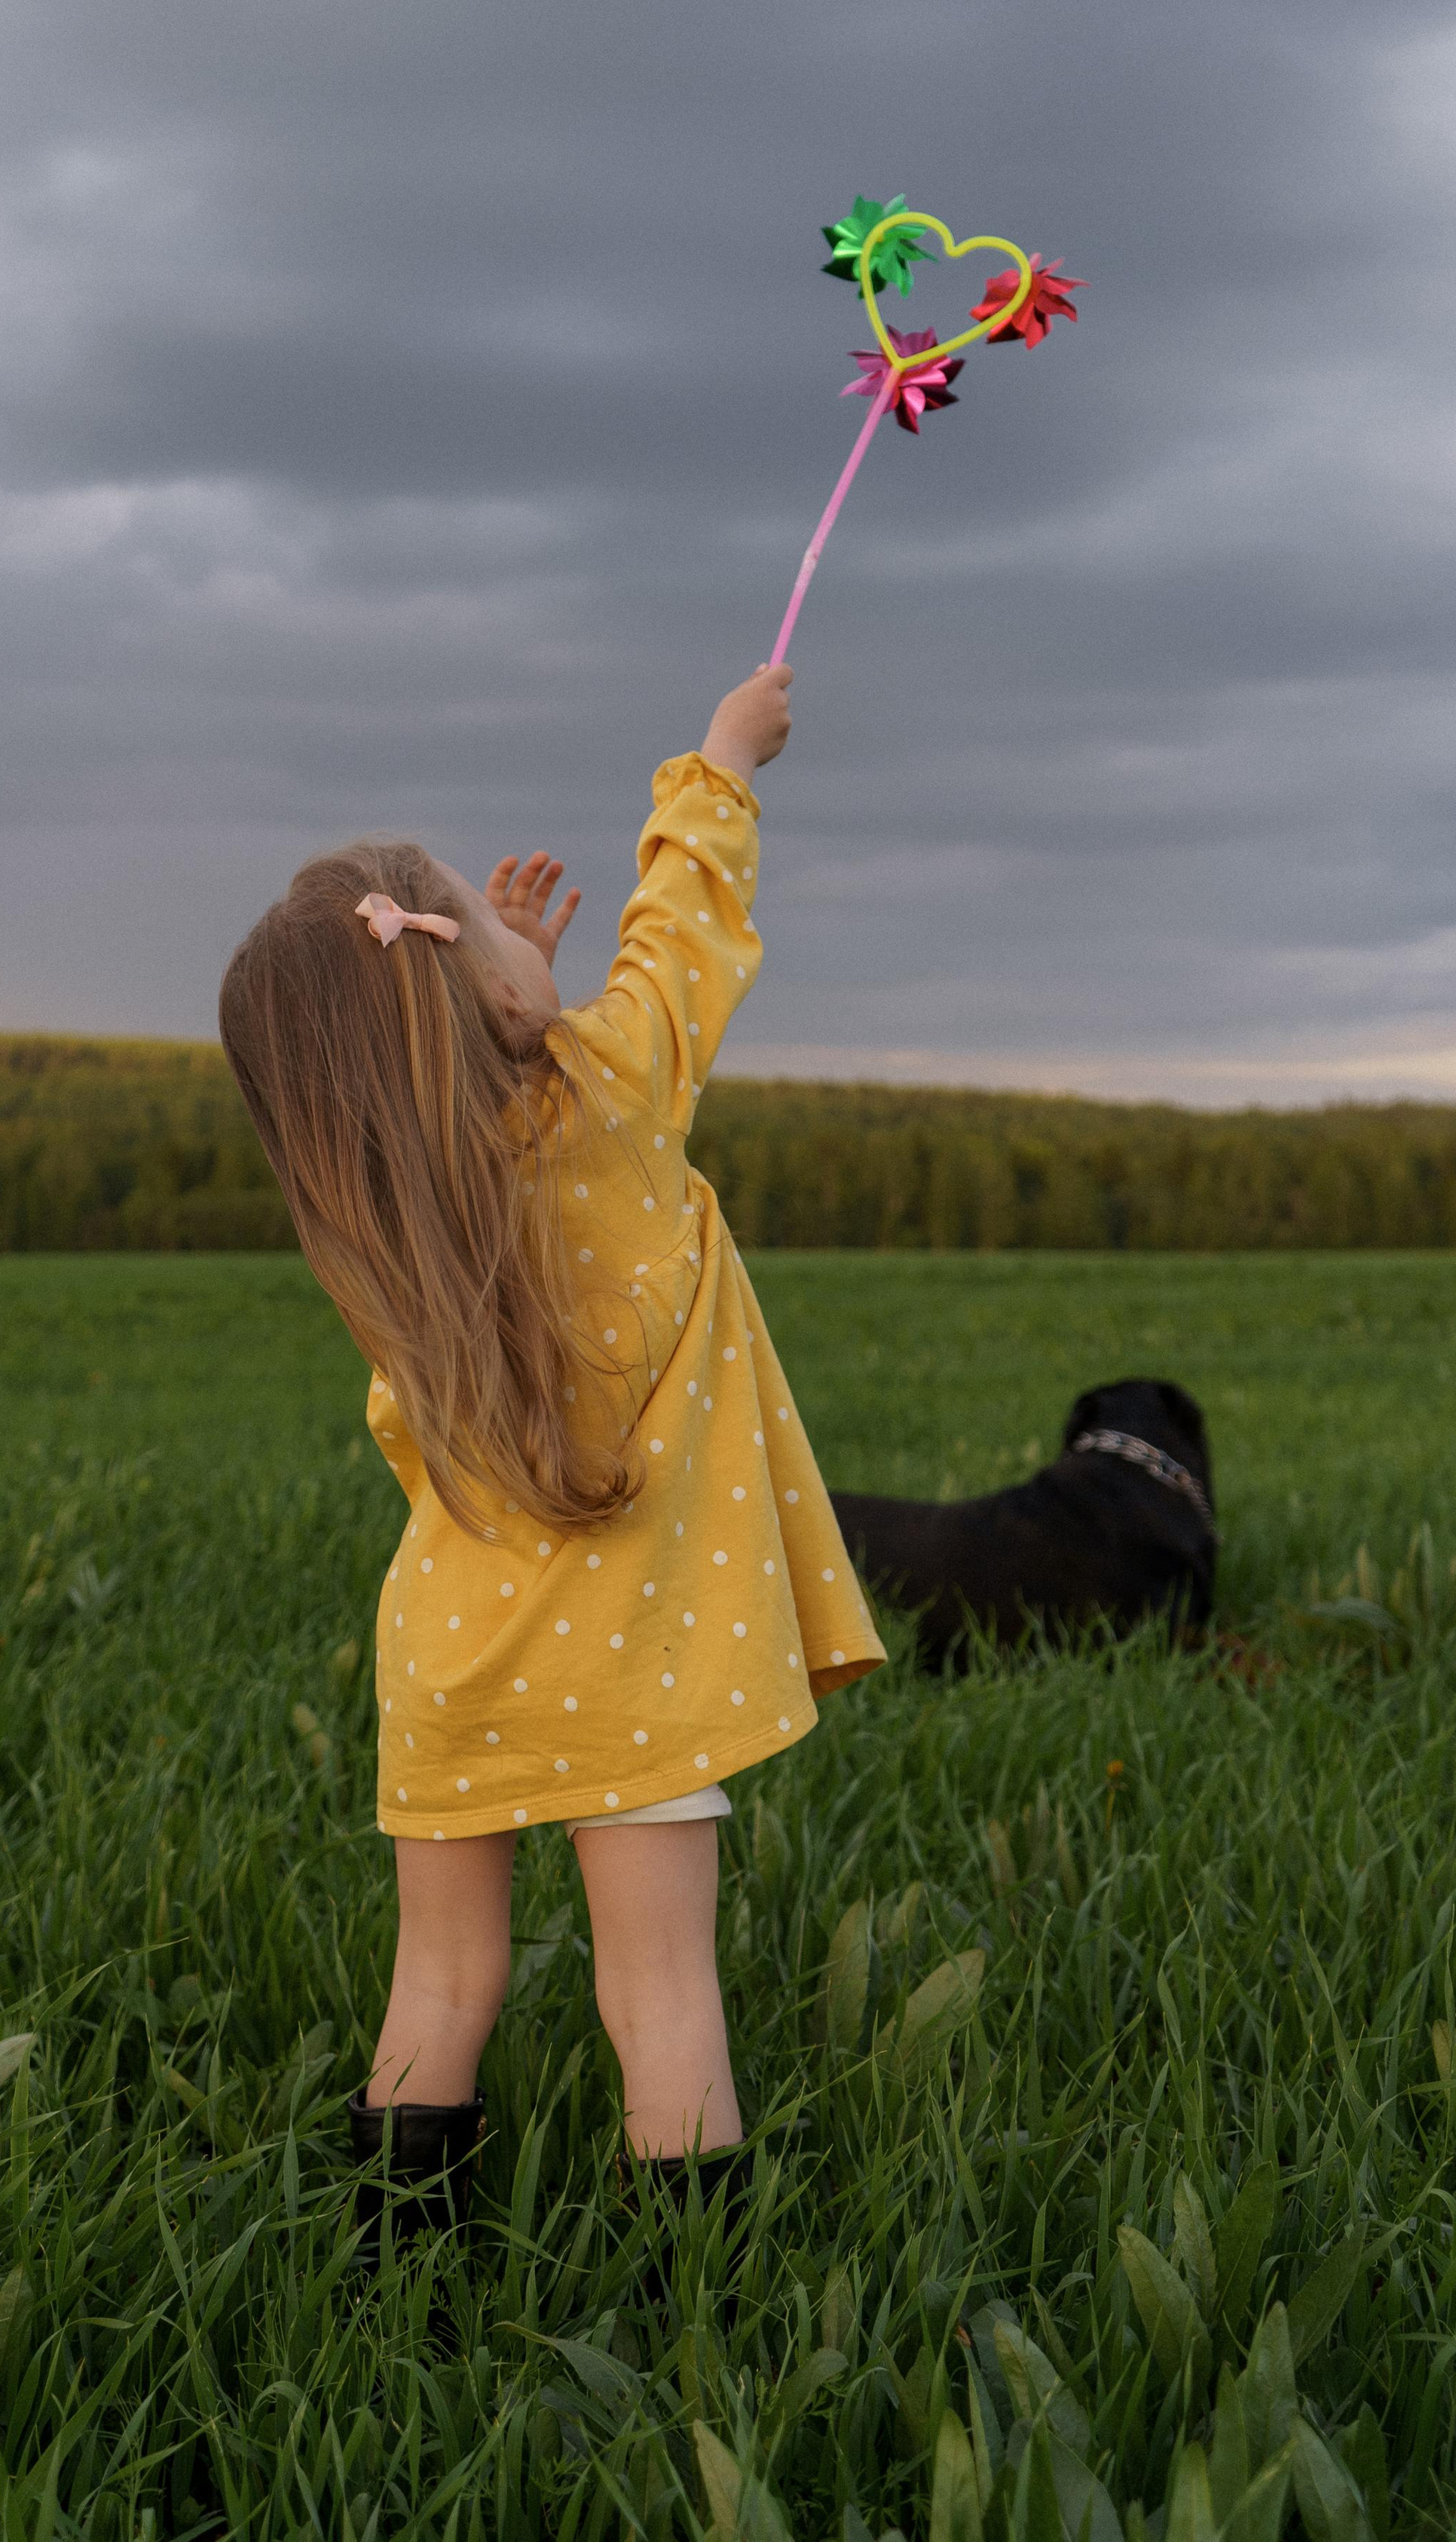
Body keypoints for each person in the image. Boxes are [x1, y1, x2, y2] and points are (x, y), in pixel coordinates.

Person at [218, 660, 885, 2257]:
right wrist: (721, 758)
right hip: (638, 1667)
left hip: (452, 1660)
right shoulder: (612, 1090)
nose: (526, 934)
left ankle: (389, 2288)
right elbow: (687, 932)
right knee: (658, 1994)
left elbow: (473, 1094)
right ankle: (702, 2320)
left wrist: (515, 984)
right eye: (491, 924)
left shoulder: (394, 1236)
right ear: (502, 1004)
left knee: (439, 1986)